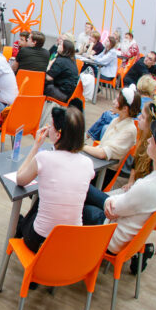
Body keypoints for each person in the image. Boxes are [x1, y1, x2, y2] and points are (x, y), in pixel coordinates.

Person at [82, 122, 156, 255]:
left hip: (113, 238)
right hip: (130, 235)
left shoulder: (147, 187)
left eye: (153, 140)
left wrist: (114, 203)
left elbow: (113, 209)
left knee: (82, 202)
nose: (148, 140)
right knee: (86, 190)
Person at [15, 105, 94, 252]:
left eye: (52, 125)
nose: (49, 127)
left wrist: (36, 146)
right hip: (71, 242)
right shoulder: (88, 163)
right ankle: (22, 224)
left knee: (33, 212)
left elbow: (20, 179)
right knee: (47, 201)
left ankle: (20, 225)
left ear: (58, 135)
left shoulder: (44, 158)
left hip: (40, 241)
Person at [123, 99, 156, 192]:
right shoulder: (143, 136)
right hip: (136, 186)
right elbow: (135, 163)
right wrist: (131, 181)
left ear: (152, 124)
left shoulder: (155, 152)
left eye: (143, 117)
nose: (138, 117)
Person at [83, 85, 140, 161]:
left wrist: (81, 146)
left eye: (117, 100)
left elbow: (103, 153)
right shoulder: (116, 120)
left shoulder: (130, 130)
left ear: (125, 108)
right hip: (102, 161)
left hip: (107, 166)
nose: (113, 102)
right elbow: (102, 148)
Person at [44, 37, 79, 103]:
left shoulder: (61, 61)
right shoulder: (71, 60)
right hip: (68, 93)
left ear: (64, 49)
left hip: (61, 94)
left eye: (60, 45)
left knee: (39, 85)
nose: (58, 45)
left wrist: (48, 67)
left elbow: (48, 77)